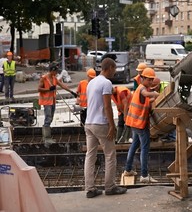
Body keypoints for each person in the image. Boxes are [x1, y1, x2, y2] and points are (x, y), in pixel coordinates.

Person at [84, 57, 127, 198]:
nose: (115, 72)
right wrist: (112, 125)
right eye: (114, 69)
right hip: (101, 124)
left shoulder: (91, 83)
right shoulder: (106, 83)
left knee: (90, 156)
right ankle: (110, 187)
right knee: (110, 155)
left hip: (89, 123)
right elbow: (107, 106)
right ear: (109, 68)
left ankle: (90, 189)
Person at [123, 67, 160, 183]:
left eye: (152, 80)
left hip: (135, 123)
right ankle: (144, 175)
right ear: (142, 78)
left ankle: (128, 169)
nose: (150, 82)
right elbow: (145, 94)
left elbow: (146, 102)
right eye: (148, 79)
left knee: (134, 145)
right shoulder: (142, 88)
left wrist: (154, 98)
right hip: (140, 124)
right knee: (144, 148)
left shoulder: (142, 88)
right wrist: (154, 93)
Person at [38, 63, 77, 144]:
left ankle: (47, 135)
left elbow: (63, 85)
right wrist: (48, 89)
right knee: (48, 118)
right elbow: (39, 89)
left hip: (52, 101)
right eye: (56, 71)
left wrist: (72, 92)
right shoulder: (44, 78)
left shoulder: (54, 78)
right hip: (47, 102)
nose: (57, 73)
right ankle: (46, 138)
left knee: (51, 118)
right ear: (52, 70)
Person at [150, 77, 175, 142]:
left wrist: (157, 95)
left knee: (171, 121)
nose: (154, 89)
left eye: (155, 87)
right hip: (161, 107)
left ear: (159, 84)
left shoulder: (165, 86)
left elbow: (167, 96)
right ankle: (166, 137)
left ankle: (172, 137)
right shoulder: (152, 90)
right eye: (153, 88)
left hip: (170, 105)